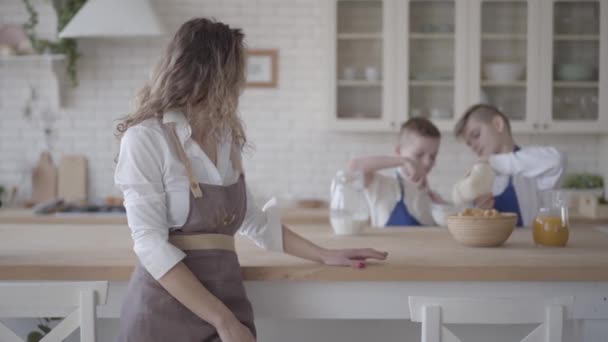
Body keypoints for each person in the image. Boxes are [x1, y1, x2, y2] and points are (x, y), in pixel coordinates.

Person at [114, 18, 387, 342]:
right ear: (211, 74)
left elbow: (251, 220)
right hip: (164, 311)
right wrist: (224, 321)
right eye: (237, 71)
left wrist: (324, 254)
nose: (241, 83)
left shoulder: (226, 137)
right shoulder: (146, 138)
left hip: (225, 301)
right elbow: (150, 246)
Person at [454, 104, 565, 226]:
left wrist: (493, 161)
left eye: (476, 135)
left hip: (530, 243)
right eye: (469, 144)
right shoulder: (481, 176)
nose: (473, 146)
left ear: (498, 124)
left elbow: (556, 159)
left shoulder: (532, 164)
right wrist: (479, 212)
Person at [348, 117, 443, 227]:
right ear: (398, 151)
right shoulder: (383, 185)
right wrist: (404, 161)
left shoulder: (432, 198)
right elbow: (353, 167)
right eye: (419, 155)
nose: (427, 162)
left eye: (432, 156)